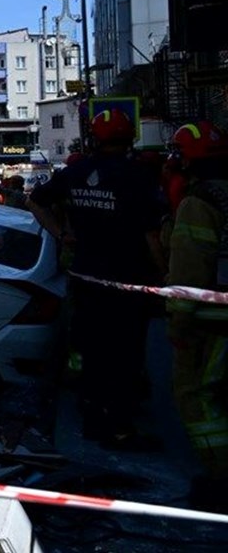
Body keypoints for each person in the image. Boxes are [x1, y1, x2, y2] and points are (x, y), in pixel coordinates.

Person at [28, 109, 167, 451]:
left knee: (92, 349)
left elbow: (35, 202)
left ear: (93, 137)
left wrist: (63, 234)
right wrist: (166, 277)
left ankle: (93, 419)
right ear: (130, 136)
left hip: (86, 278)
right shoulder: (139, 176)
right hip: (127, 282)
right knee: (125, 354)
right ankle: (118, 428)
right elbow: (151, 235)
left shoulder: (75, 172)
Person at [165, 121, 228, 511]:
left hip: (214, 323)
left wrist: (178, 323)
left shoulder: (197, 204)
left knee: (199, 396)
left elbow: (189, 276)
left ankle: (221, 477)